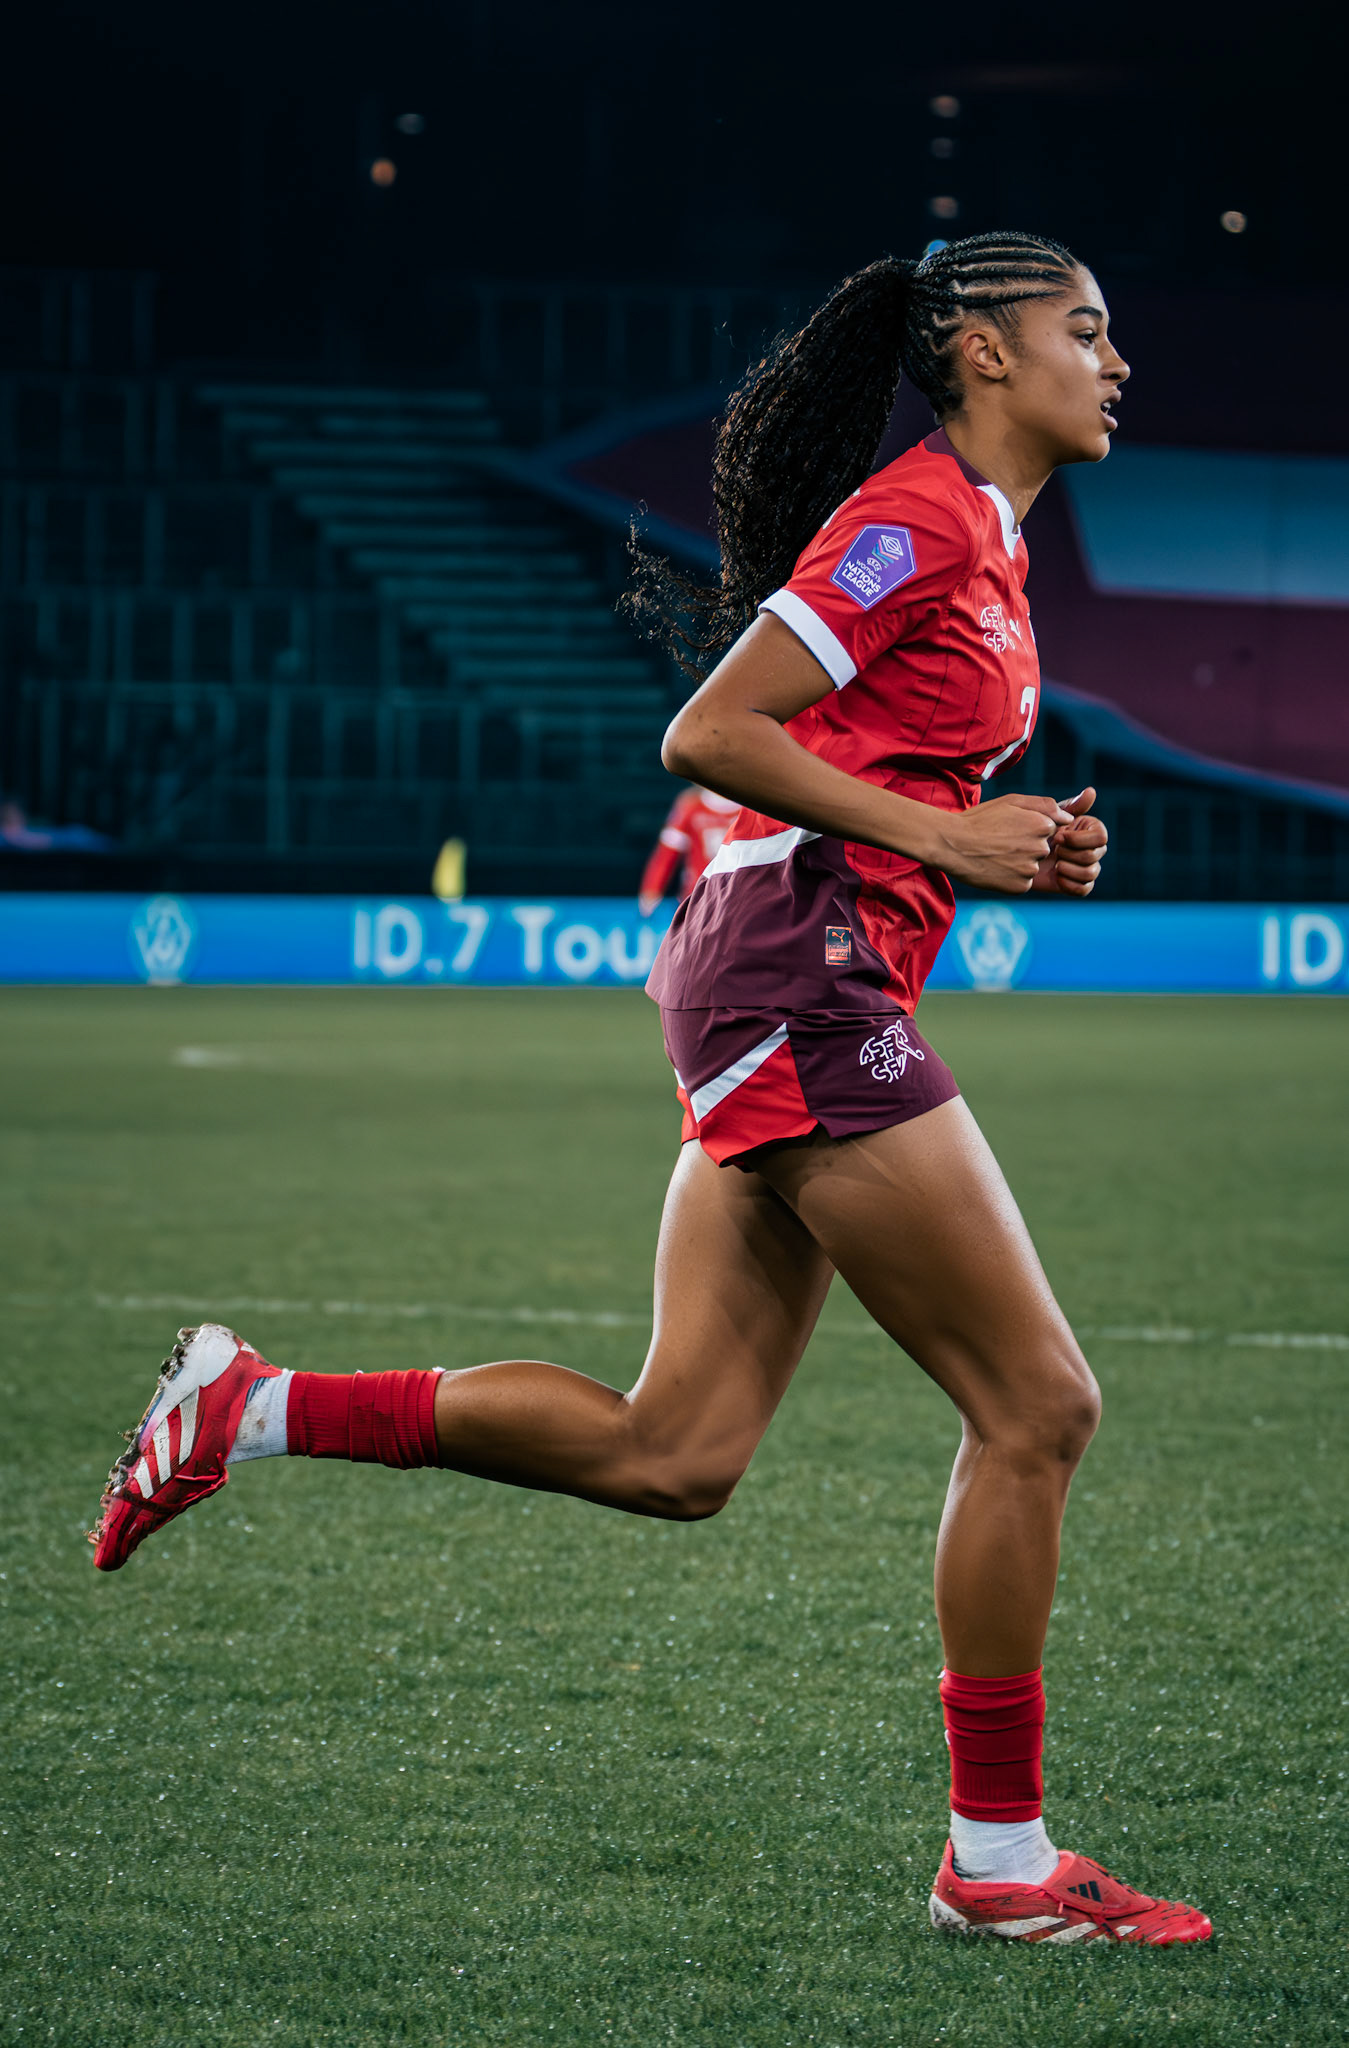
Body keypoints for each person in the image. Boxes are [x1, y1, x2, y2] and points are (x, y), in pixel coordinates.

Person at [89, 231, 1210, 1946]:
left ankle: (244, 1401)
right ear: (982, 350)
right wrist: (942, 835)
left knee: (677, 1449)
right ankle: (997, 1867)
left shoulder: (982, 536)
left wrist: (1006, 843)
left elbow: (868, 764)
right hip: (797, 979)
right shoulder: (915, 519)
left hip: (790, 973)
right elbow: (707, 729)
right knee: (1039, 1407)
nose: (1115, 359)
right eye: (1085, 328)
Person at [638, 785, 742, 916]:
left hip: (737, 897)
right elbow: (667, 853)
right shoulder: (690, 805)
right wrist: (651, 891)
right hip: (697, 897)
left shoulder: (753, 806)